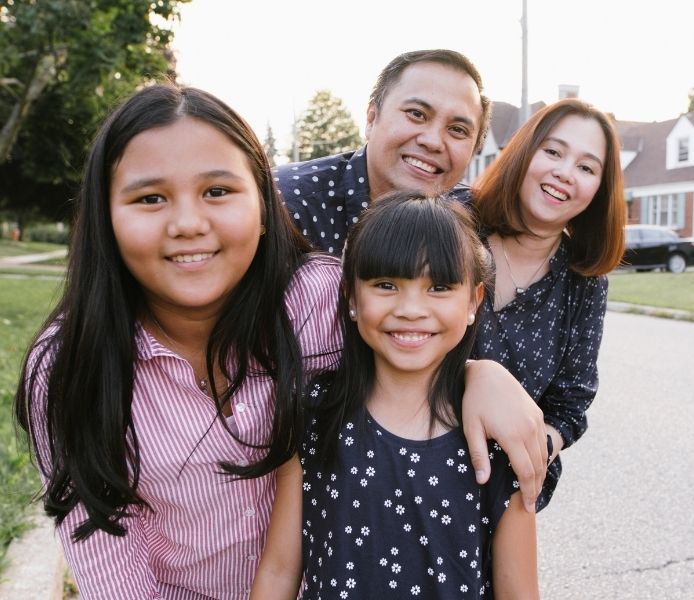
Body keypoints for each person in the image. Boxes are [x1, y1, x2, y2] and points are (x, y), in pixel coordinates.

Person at [14, 84, 545, 599]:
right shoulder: (69, 367)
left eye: (217, 191)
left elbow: (412, 349)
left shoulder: (320, 300)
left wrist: (479, 373)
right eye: (150, 198)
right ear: (106, 217)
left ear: (265, 204)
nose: (187, 223)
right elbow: (106, 551)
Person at [250, 192, 539, 600]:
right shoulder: (313, 413)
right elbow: (280, 569)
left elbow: (521, 594)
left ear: (473, 300)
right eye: (386, 285)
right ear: (351, 297)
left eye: (438, 287)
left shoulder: (495, 434)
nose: (410, 308)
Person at [471, 98, 628, 511]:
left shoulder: (585, 283)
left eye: (587, 167)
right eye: (553, 151)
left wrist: (535, 447)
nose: (564, 173)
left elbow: (571, 405)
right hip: (404, 461)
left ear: (599, 190)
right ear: (525, 152)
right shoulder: (455, 223)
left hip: (502, 491)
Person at [274, 48, 490, 256]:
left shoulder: (481, 221)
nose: (433, 141)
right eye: (416, 114)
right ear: (371, 118)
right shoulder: (284, 203)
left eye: (457, 130)